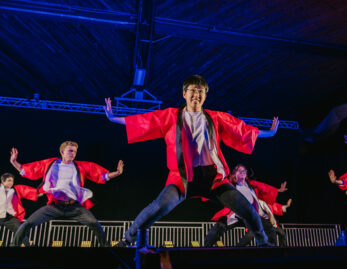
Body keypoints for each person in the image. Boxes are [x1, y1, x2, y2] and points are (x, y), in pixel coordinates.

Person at [104, 75, 280, 247]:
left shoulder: (215, 118)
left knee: (247, 209)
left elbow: (241, 130)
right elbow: (145, 122)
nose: (196, 94)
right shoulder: (171, 116)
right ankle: (126, 240)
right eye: (192, 91)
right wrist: (113, 118)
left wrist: (270, 132)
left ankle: (264, 243)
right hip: (182, 177)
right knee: (158, 207)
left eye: (201, 91)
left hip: (213, 178)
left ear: (205, 95)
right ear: (184, 94)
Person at [10, 141, 124, 247]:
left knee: (95, 224)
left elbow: (101, 175)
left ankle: (108, 250)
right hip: (55, 206)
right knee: (27, 223)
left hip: (74, 207)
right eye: (70, 151)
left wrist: (117, 173)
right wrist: (14, 162)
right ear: (62, 152)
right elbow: (29, 170)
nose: (73, 153)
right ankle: (13, 248)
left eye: (74, 151)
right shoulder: (51, 164)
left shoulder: (80, 166)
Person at [204, 164, 292, 247]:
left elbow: (264, 188)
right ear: (235, 173)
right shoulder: (231, 185)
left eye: (244, 171)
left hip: (253, 215)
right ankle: (206, 247)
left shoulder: (251, 185)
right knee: (220, 226)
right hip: (237, 213)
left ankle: (270, 251)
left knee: (269, 229)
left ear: (246, 174)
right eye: (239, 170)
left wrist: (278, 190)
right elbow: (219, 184)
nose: (242, 172)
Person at [0, 173, 39, 247]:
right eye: (9, 180)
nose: (11, 182)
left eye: (12, 181)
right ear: (3, 181)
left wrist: (39, 192)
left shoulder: (14, 190)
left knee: (21, 231)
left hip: (9, 217)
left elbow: (27, 191)